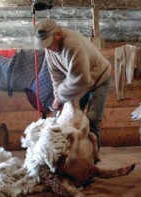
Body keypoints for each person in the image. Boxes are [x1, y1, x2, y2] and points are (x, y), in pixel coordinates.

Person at [34, 18, 111, 148]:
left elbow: (82, 79)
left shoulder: (73, 45)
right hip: (80, 82)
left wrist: (60, 98)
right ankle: (74, 153)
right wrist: (57, 95)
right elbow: (56, 75)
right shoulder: (50, 50)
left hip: (99, 79)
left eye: (48, 43)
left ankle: (93, 156)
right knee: (71, 118)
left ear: (58, 35)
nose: (47, 48)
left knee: (92, 118)